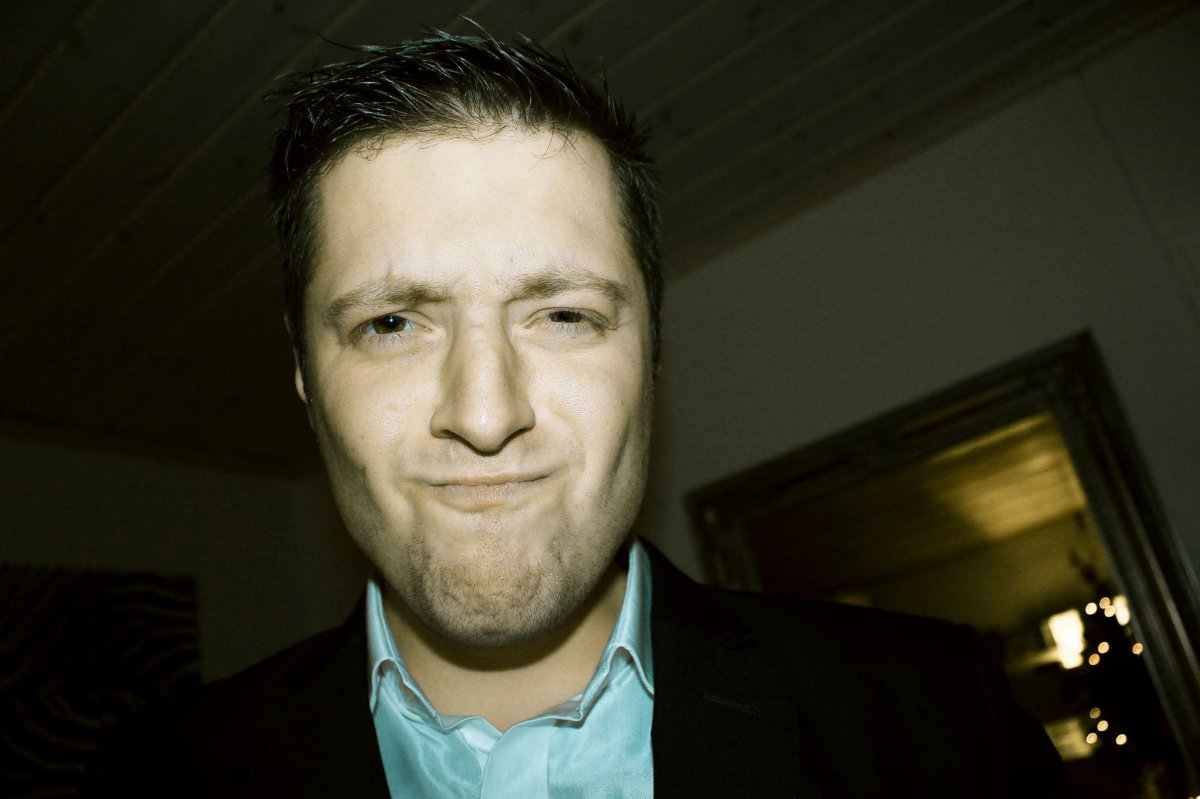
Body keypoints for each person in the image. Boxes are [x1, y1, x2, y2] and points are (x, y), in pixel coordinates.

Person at [88, 31, 1074, 798]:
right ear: (305, 374)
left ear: (652, 353)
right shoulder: (156, 780)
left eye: (563, 315)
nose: (485, 414)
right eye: (391, 323)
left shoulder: (941, 724)